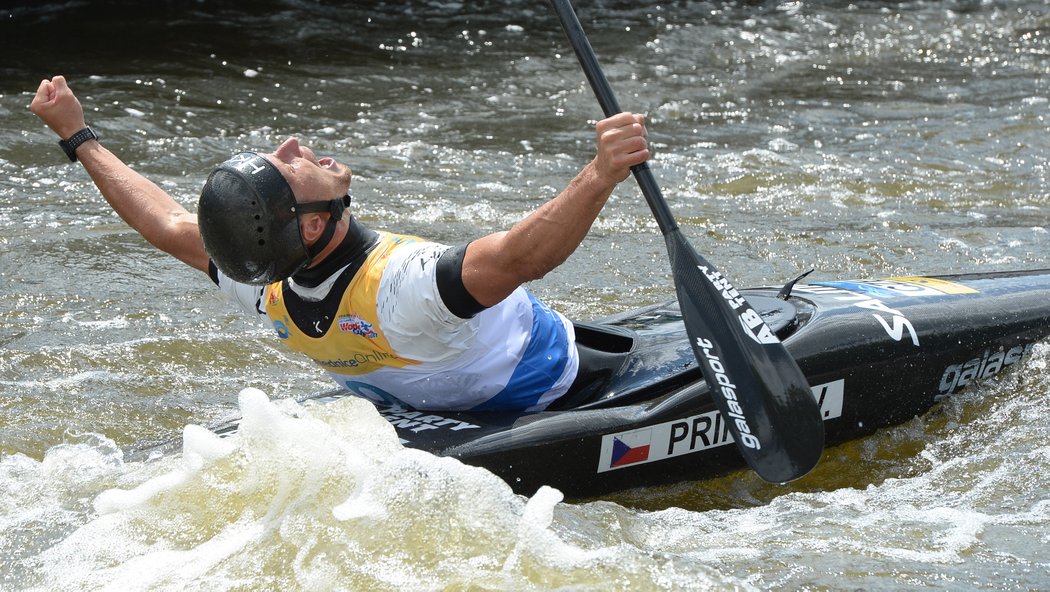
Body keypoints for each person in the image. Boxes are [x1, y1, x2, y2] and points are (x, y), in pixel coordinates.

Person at [30, 75, 650, 412]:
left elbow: (162, 224)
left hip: (422, 398)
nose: (296, 145)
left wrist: (77, 135)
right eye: (286, 167)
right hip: (553, 382)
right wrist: (601, 173)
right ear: (308, 225)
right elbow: (523, 257)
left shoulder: (261, 286)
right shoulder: (406, 282)